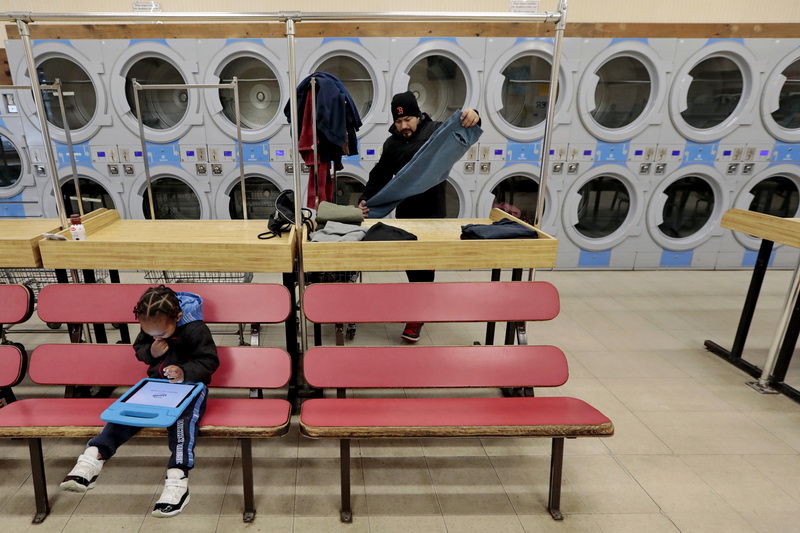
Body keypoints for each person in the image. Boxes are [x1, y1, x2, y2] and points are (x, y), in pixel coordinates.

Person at [60, 285, 219, 519]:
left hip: (190, 388)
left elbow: (209, 361)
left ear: (177, 317)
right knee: (125, 413)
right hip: (155, 386)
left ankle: (178, 479)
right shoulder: (152, 325)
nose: (156, 337)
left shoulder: (196, 329)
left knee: (183, 423)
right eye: (150, 333)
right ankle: (93, 457)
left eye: (161, 334)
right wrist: (152, 352)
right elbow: (140, 350)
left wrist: (185, 372)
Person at [358, 91, 480, 342]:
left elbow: (465, 126)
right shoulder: (391, 145)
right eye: (399, 122)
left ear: (418, 115)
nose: (404, 126)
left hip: (433, 211)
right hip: (407, 212)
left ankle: (417, 316)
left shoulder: (435, 131)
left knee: (423, 264)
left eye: (408, 120)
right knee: (412, 262)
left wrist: (475, 115)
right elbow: (380, 174)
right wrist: (365, 199)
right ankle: (419, 303)